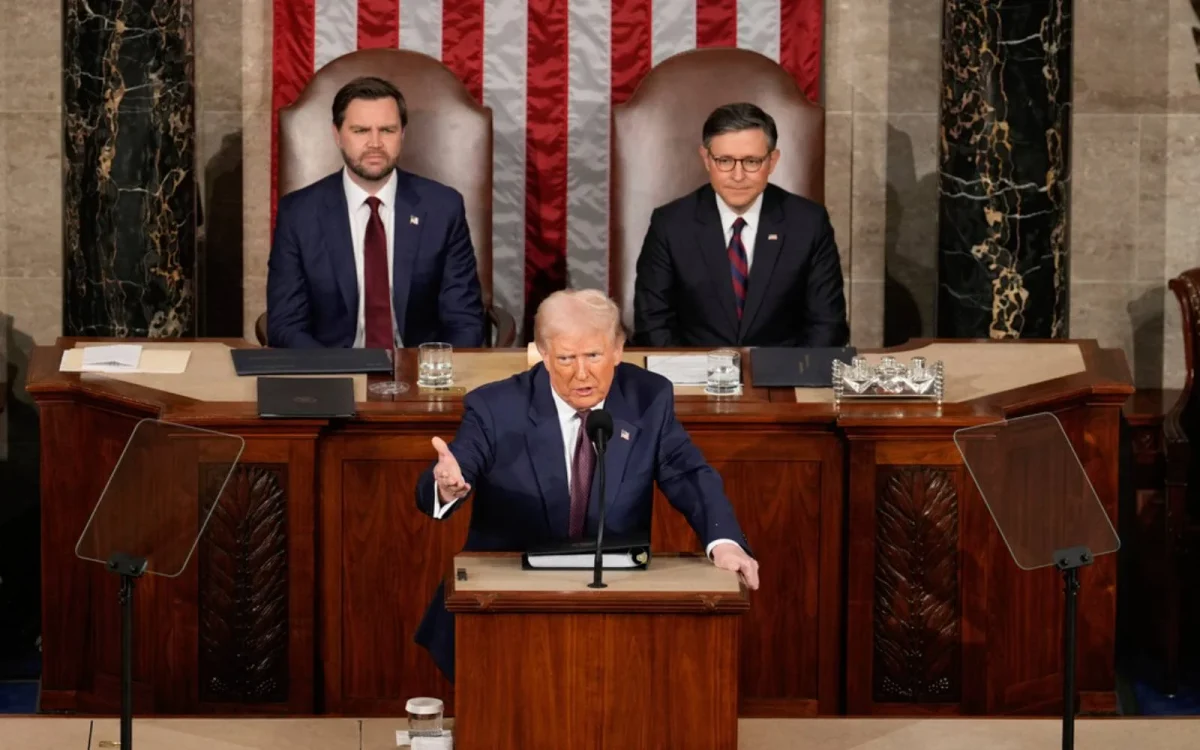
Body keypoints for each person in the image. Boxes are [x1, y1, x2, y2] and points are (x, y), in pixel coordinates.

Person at [413, 289, 759, 681]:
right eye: (565, 358)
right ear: (542, 354)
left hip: (615, 601)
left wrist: (724, 542)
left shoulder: (648, 397)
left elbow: (688, 473)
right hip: (509, 605)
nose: (582, 373)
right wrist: (447, 487)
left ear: (617, 350)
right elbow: (458, 465)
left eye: (594, 356)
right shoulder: (496, 406)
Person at [266, 76, 485, 348]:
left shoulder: (442, 208)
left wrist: (434, 373)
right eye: (360, 131)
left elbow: (464, 320)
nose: (375, 143)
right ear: (337, 135)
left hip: (422, 375)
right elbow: (286, 324)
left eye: (387, 130)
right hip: (333, 374)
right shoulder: (299, 214)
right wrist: (333, 374)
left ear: (402, 134)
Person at [632, 102, 849, 348]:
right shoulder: (670, 224)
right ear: (706, 159)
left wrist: (797, 379)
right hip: (693, 377)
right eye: (724, 161)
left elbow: (827, 324)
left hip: (783, 378)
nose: (737, 176)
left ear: (772, 161)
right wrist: (685, 379)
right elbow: (653, 323)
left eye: (751, 162)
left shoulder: (808, 223)